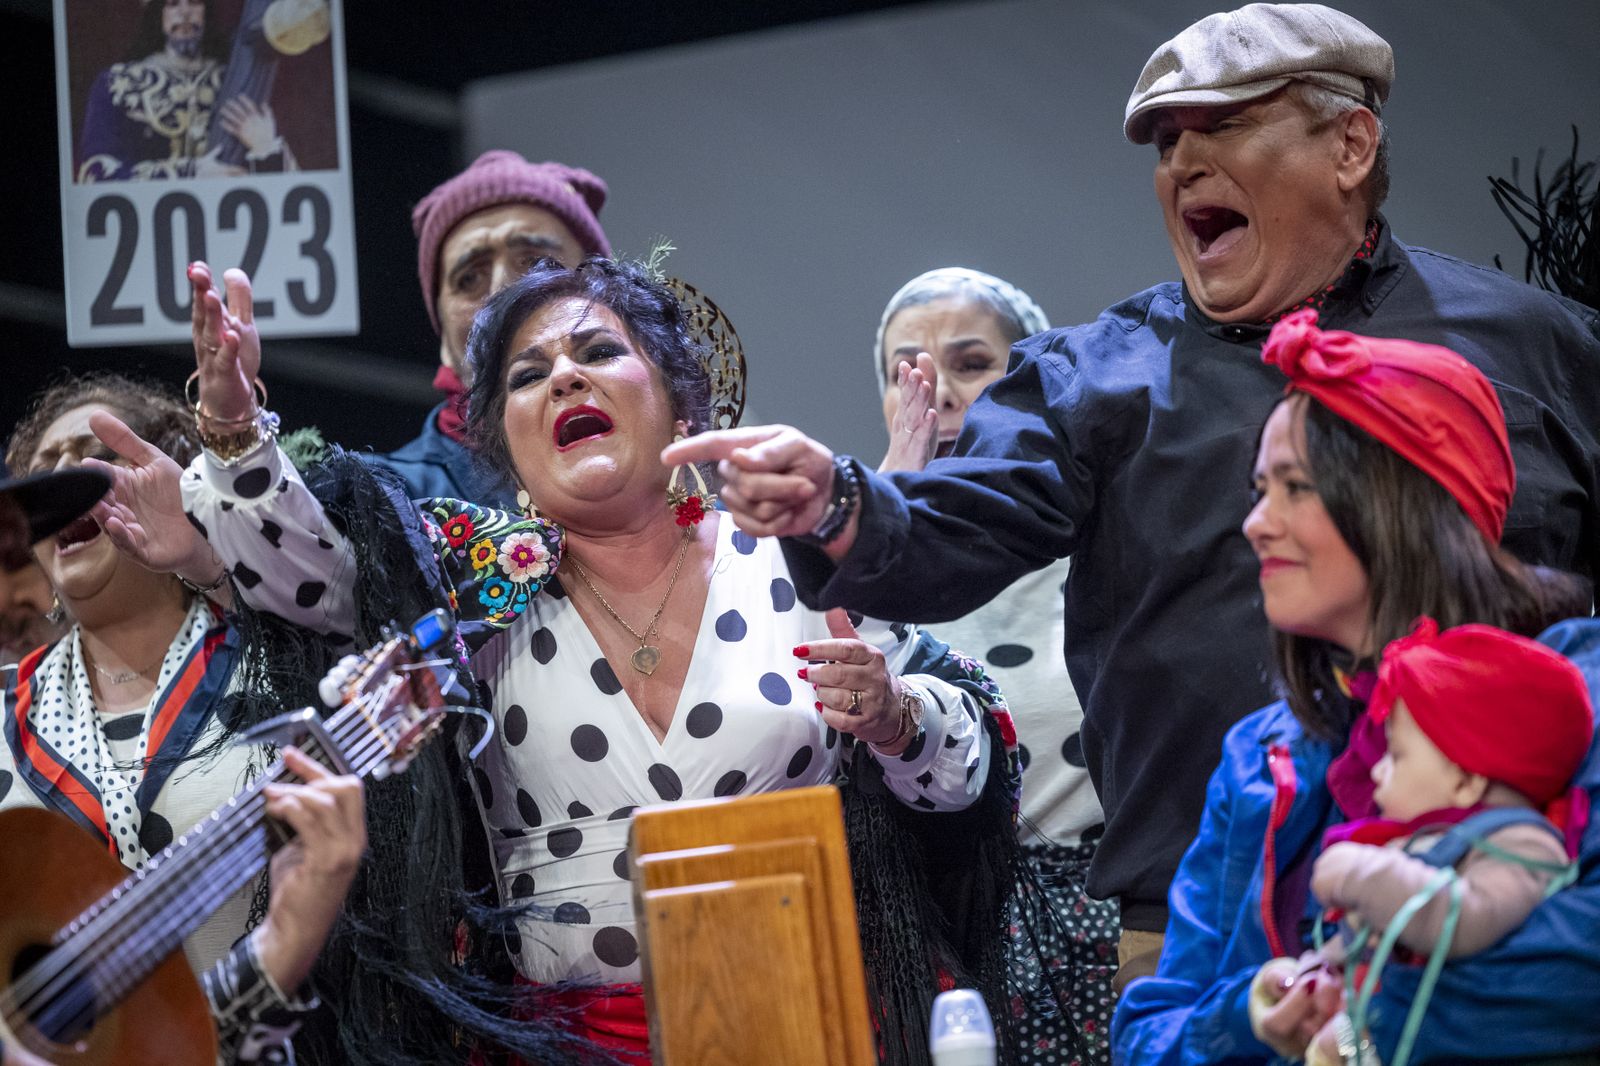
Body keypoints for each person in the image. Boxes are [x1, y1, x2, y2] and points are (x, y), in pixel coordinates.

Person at [665, 2, 1600, 988]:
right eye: (1164, 141)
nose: (1183, 163)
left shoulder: (1537, 349)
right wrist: (834, 501)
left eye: (1223, 124)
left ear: (1350, 145)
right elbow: (942, 537)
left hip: (1511, 887)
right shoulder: (1091, 379)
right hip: (1204, 924)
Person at [142, 256, 1024, 1064]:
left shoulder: (796, 555)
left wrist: (896, 716)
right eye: (529, 375)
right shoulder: (476, 585)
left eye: (597, 350)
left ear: (683, 405)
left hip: (810, 1020)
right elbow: (316, 578)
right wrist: (231, 426)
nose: (563, 375)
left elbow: (959, 783)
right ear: (508, 446)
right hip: (565, 1046)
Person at [1111, 312, 1599, 1064]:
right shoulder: (1256, 757)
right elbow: (1148, 1038)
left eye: (1295, 487)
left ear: (1401, 500)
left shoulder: (1575, 684)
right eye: (1258, 489)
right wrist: (1251, 1015)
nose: (1254, 524)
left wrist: (1360, 1014)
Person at [1, 374, 367, 1064]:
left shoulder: (283, 669)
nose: (61, 481)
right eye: (40, 476)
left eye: (92, 457)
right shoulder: (0, 718)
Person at [876, 268, 1116, 1064]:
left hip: (1103, 941)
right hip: (930, 950)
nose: (934, 390)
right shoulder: (845, 587)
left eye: (972, 363)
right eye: (903, 369)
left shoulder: (1110, 556)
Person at [1296, 620, 1593, 1065]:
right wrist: (1318, 974)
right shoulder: (1420, 843)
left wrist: (1365, 875)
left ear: (1465, 781)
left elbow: (1469, 915)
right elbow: (1372, 940)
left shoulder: (1523, 843)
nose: (1376, 772)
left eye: (1396, 757)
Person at [364, 150, 614, 505]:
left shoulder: (697, 478)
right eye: (469, 278)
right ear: (445, 348)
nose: (502, 293)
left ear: (608, 296)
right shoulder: (385, 503)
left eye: (537, 262)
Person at [77, 0, 292, 181]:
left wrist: (266, 149)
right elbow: (95, 173)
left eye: (194, 2)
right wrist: (188, 173)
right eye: (172, 4)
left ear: (206, 10)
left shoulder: (241, 81)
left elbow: (291, 187)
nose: (185, 13)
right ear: (158, 12)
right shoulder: (117, 83)